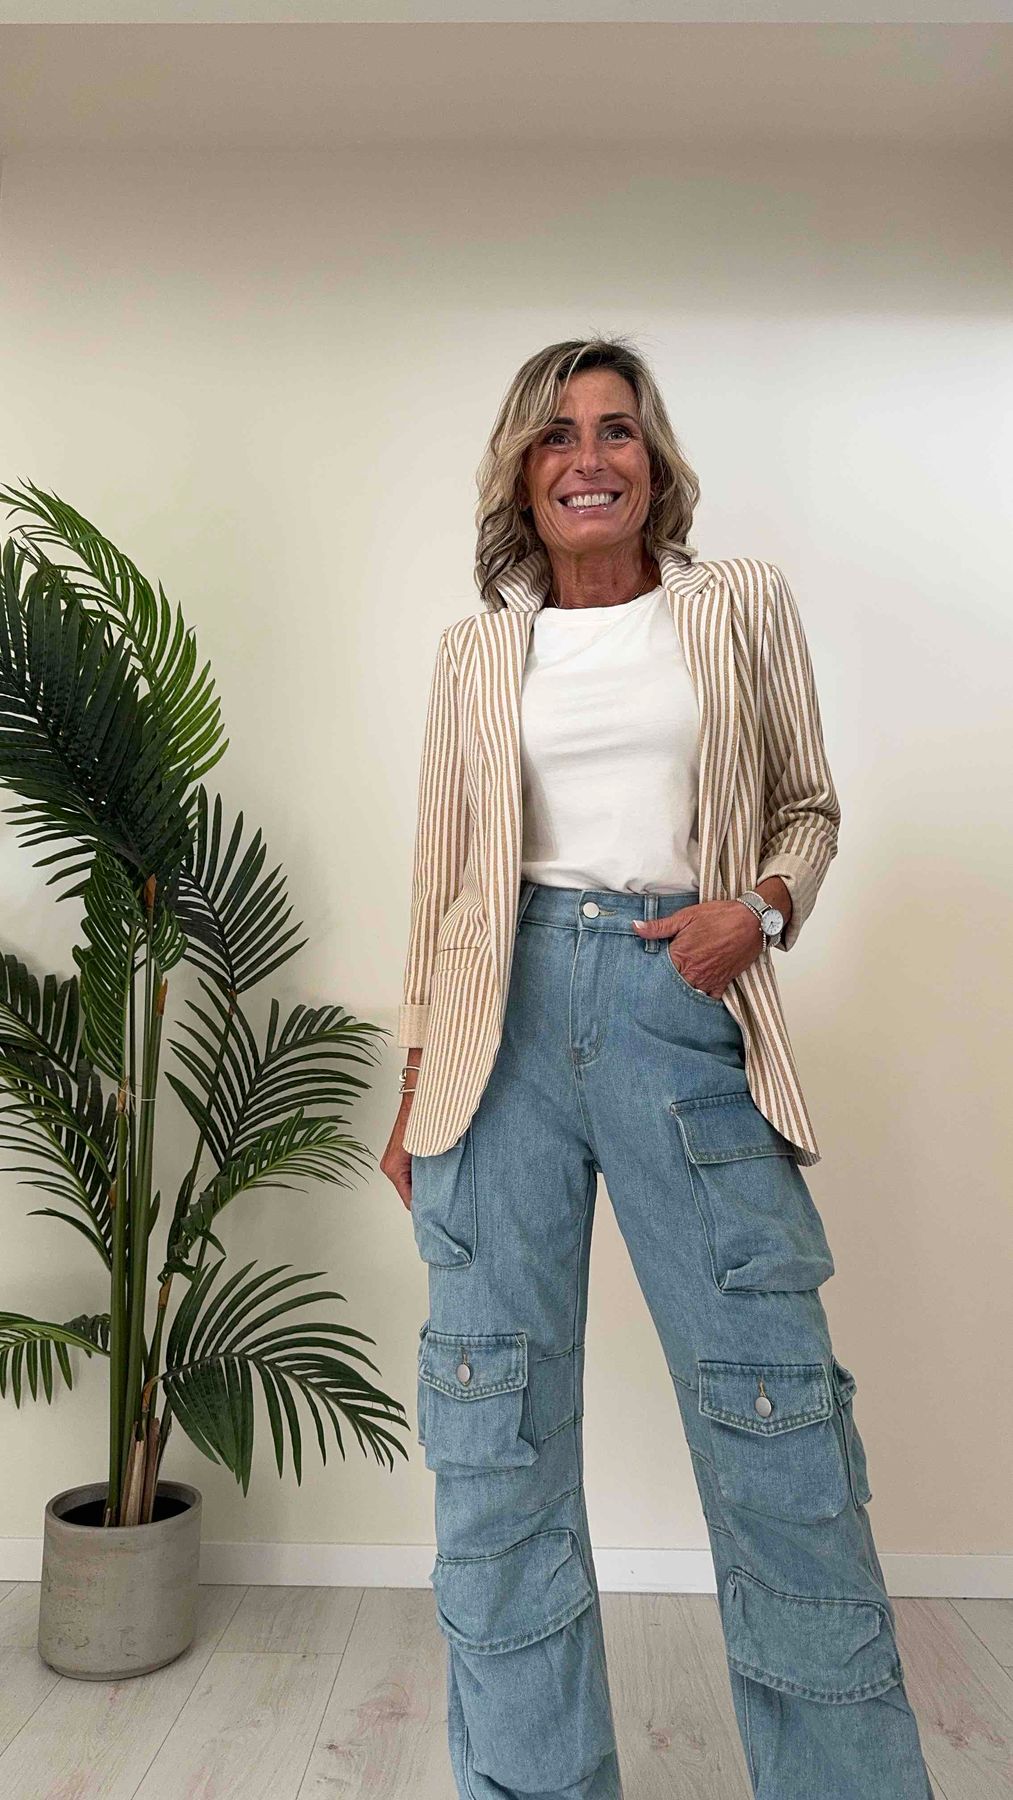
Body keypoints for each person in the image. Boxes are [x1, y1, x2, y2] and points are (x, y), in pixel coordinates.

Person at [381, 336, 935, 1800]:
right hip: (495, 1035)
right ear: (522, 474)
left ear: (654, 460)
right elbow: (443, 883)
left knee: (776, 1425)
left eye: (616, 429)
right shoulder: (472, 655)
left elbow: (807, 807)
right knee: (494, 1442)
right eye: (557, 434)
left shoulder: (737, 605)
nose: (589, 457)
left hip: (675, 1006)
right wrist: (414, 1084)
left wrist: (757, 913)